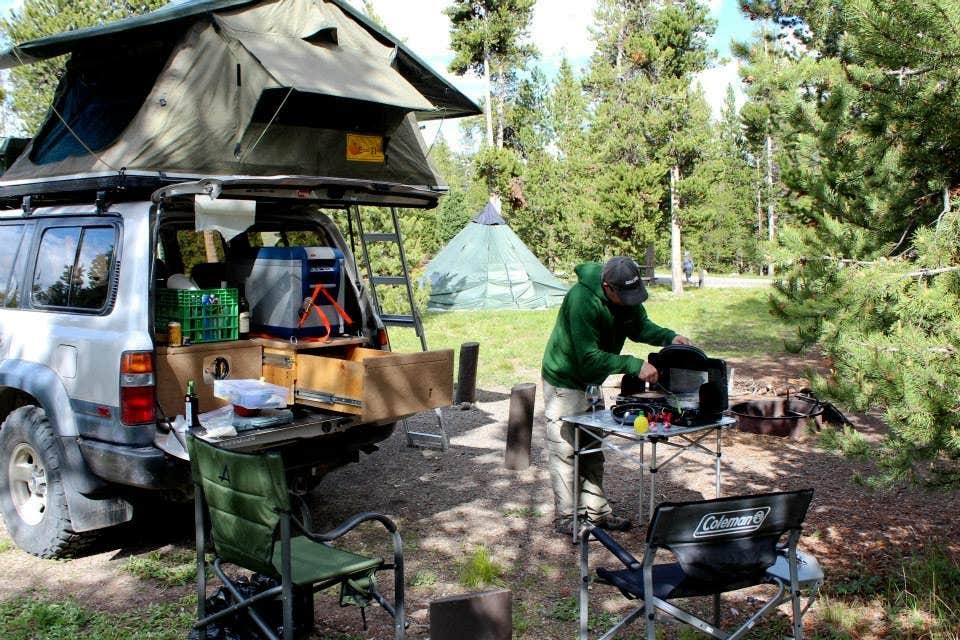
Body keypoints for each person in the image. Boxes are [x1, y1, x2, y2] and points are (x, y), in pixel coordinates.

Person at [541, 256, 691, 536]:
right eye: (624, 296)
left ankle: (596, 512)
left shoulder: (626, 295)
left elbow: (640, 327)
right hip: (566, 379)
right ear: (608, 287)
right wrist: (633, 365)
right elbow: (588, 357)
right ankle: (567, 516)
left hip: (591, 382)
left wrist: (669, 337)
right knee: (566, 449)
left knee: (593, 447)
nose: (630, 300)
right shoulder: (581, 299)